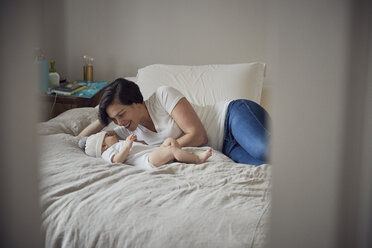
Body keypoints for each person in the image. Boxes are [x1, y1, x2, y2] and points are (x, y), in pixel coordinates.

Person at [79, 78, 270, 165]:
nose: (119, 122)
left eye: (121, 114)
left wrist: (167, 149)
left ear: (136, 101)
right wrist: (104, 117)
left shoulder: (162, 95)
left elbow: (199, 135)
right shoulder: (128, 132)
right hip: (225, 146)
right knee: (265, 167)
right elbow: (81, 139)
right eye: (114, 119)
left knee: (264, 150)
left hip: (231, 117)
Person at [81, 131, 212, 170]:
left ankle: (178, 157)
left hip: (152, 152)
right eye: (108, 136)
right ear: (103, 146)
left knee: (170, 141)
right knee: (171, 149)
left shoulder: (118, 143)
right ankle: (197, 159)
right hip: (147, 160)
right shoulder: (108, 152)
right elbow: (117, 161)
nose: (112, 135)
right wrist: (127, 146)